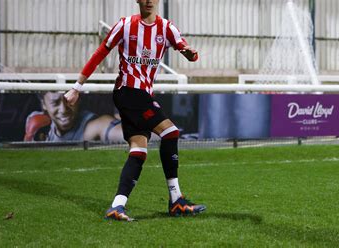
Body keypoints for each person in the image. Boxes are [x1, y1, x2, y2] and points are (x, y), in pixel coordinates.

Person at [64, 0, 205, 221]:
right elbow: (100, 53)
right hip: (128, 91)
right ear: (137, 0)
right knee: (171, 132)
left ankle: (117, 206)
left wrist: (191, 55)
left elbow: (190, 52)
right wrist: (76, 87)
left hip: (142, 96)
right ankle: (176, 200)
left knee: (138, 151)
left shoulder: (167, 28)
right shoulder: (125, 25)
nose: (149, 1)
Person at [24, 92, 123, 143]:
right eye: (55, 103)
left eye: (70, 101)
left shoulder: (92, 126)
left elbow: (113, 130)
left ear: (78, 98)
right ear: (44, 104)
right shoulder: (36, 122)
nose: (63, 109)